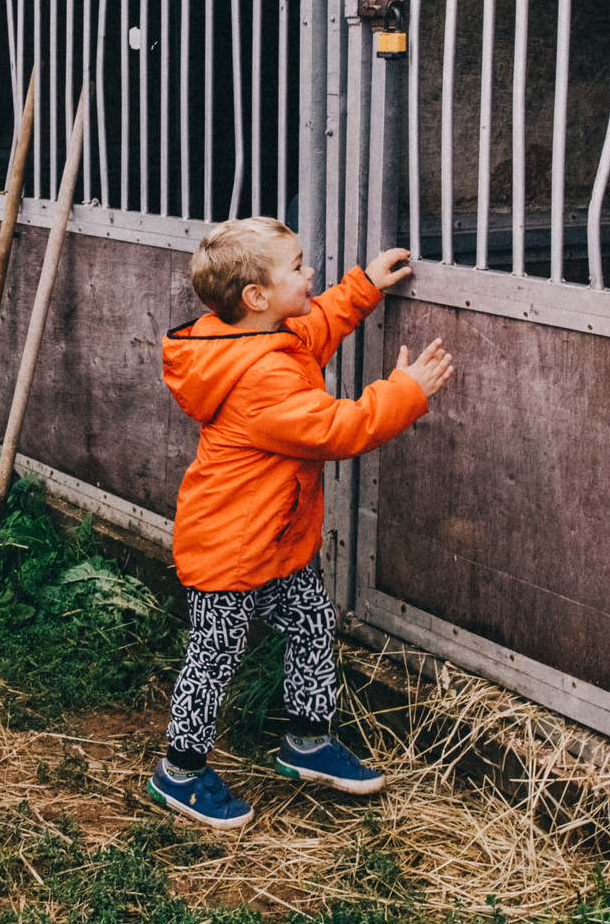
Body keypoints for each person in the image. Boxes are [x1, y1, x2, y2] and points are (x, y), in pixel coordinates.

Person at [149, 219, 455, 829]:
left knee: (312, 621)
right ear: (257, 298)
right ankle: (179, 772)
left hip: (274, 541)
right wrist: (405, 391)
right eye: (296, 267)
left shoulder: (263, 336)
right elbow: (338, 430)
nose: (309, 271)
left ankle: (308, 740)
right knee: (216, 654)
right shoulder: (260, 376)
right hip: (231, 552)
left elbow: (316, 326)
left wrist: (363, 286)